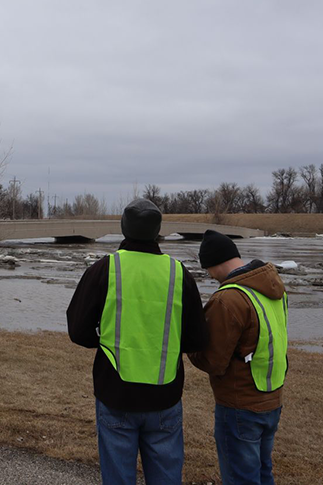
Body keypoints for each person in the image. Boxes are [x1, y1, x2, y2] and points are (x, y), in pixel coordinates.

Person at [66, 199, 207, 484]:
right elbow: (196, 339)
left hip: (116, 393)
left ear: (123, 228)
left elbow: (78, 330)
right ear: (158, 231)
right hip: (165, 395)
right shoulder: (179, 274)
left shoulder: (104, 269)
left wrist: (107, 343)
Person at [188, 230, 288, 485]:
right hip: (271, 397)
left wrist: (189, 345)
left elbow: (213, 360)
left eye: (208, 269)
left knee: (240, 478)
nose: (210, 276)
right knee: (263, 472)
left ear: (215, 262)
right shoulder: (273, 288)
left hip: (239, 405)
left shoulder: (228, 299)